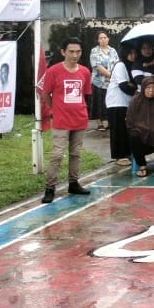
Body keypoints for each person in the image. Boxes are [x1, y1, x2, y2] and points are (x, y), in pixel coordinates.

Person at [41, 38, 93, 203]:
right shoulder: (53, 71)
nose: (74, 55)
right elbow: (45, 94)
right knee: (57, 154)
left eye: (78, 52)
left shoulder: (85, 71)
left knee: (76, 153)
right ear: (63, 52)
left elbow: (85, 94)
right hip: (61, 120)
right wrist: (51, 111)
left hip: (79, 119)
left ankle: (73, 183)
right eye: (71, 51)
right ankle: (50, 188)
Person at [106, 44, 139, 167]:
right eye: (130, 53)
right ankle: (119, 155)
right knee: (118, 129)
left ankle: (127, 153)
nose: (133, 56)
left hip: (126, 102)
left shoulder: (131, 66)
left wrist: (133, 86)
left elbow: (132, 84)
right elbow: (124, 85)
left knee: (126, 129)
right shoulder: (120, 65)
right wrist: (136, 91)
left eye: (135, 53)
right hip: (116, 102)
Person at [89, 31, 119, 132]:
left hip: (111, 82)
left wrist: (112, 76)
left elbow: (116, 63)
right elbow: (97, 65)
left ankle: (110, 122)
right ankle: (100, 124)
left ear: (108, 39)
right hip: (98, 81)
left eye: (105, 37)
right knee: (98, 102)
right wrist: (110, 75)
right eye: (100, 38)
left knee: (110, 102)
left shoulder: (113, 50)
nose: (103, 40)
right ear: (98, 40)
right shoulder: (95, 51)